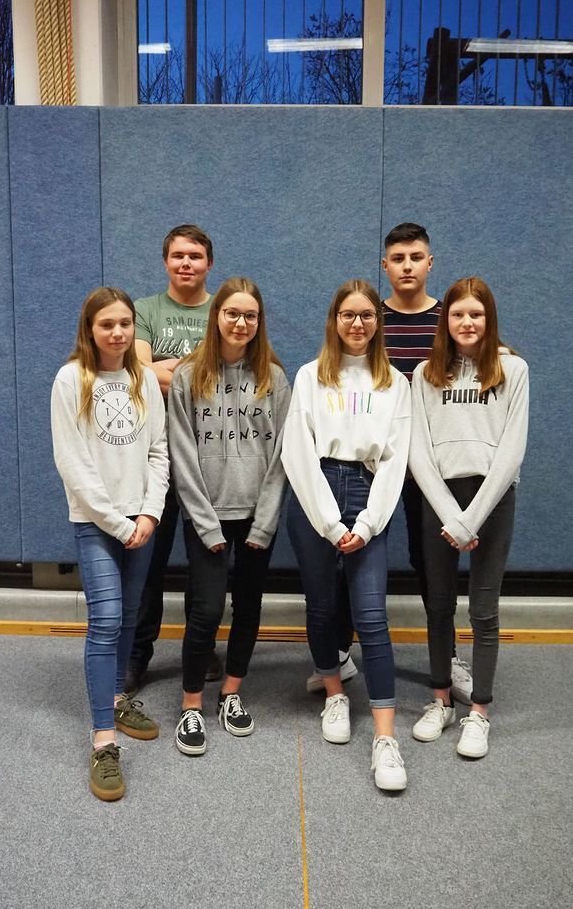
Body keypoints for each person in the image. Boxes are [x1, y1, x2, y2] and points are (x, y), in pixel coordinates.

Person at [313, 223, 473, 702]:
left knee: (431, 562)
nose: (407, 266)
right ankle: (339, 652)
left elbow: (477, 360)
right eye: (398, 258)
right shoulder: (367, 317)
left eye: (415, 257)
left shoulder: (448, 320)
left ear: (430, 263)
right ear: (384, 266)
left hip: (430, 461)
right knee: (351, 551)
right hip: (373, 461)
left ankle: (448, 659)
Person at [282, 280, 411, 792]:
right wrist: (331, 524)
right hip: (315, 494)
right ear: (334, 320)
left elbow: (396, 460)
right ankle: (334, 691)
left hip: (367, 491)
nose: (357, 324)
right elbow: (296, 452)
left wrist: (367, 522)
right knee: (320, 606)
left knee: (372, 616)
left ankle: (385, 739)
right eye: (348, 315)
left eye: (366, 316)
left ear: (377, 323)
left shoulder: (394, 383)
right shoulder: (310, 375)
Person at [51, 287, 169, 801]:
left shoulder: (143, 378)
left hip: (141, 520)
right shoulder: (71, 379)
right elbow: (72, 463)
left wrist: (150, 512)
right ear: (90, 329)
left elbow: (159, 450)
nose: (118, 333)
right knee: (106, 619)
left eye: (125, 323)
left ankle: (118, 697)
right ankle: (103, 740)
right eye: (107, 325)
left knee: (131, 613)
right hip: (98, 522)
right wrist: (119, 523)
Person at [168, 277, 291, 755]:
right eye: (232, 313)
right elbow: (181, 454)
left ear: (259, 322)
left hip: (256, 515)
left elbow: (283, 457)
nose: (241, 323)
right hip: (207, 514)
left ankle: (231, 694)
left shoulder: (274, 378)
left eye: (250, 316)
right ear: (216, 315)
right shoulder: (187, 376)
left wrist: (265, 521)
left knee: (249, 606)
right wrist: (204, 522)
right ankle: (191, 704)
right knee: (206, 610)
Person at [409, 277, 529, 758]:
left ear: (488, 318)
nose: (467, 322)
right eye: (458, 314)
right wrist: (451, 515)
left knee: (483, 609)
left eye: (476, 314)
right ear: (446, 320)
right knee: (439, 605)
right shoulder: (425, 373)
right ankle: (441, 699)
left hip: (492, 500)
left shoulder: (513, 368)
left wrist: (471, 519)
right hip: (441, 502)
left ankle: (479, 710)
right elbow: (419, 451)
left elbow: (512, 450)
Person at [125, 224, 222, 693]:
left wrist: (164, 369)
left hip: (209, 454)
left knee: (205, 559)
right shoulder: (144, 310)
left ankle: (200, 651)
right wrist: (192, 369)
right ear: (166, 261)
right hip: (154, 452)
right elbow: (137, 374)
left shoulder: (222, 310)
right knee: (149, 560)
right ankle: (136, 654)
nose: (186, 263)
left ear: (209, 264)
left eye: (195, 256)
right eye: (178, 255)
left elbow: (222, 378)